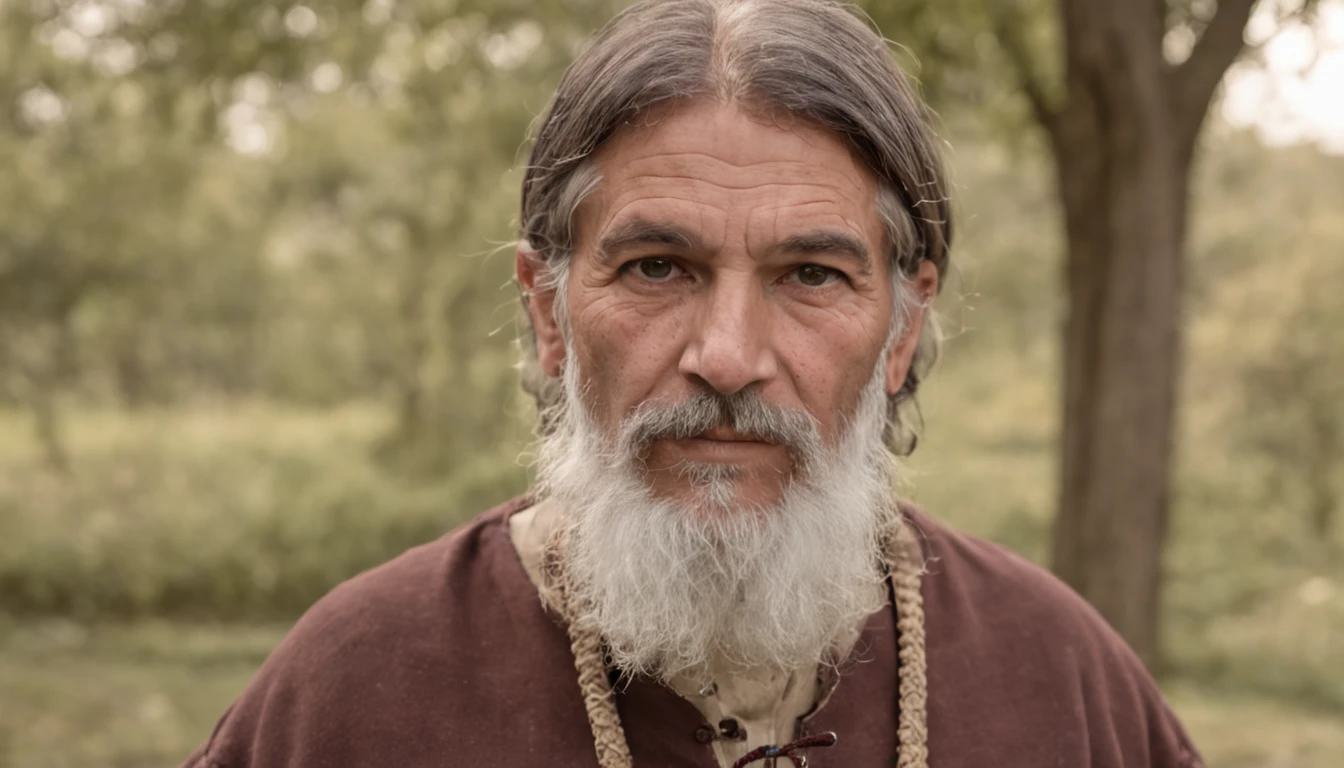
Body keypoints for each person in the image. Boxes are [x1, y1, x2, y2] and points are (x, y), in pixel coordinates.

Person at [183, 0, 1205, 766]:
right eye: (656, 268)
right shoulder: (356, 689)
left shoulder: (1064, 685)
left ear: (900, 331)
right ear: (549, 313)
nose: (726, 354)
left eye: (810, 275)